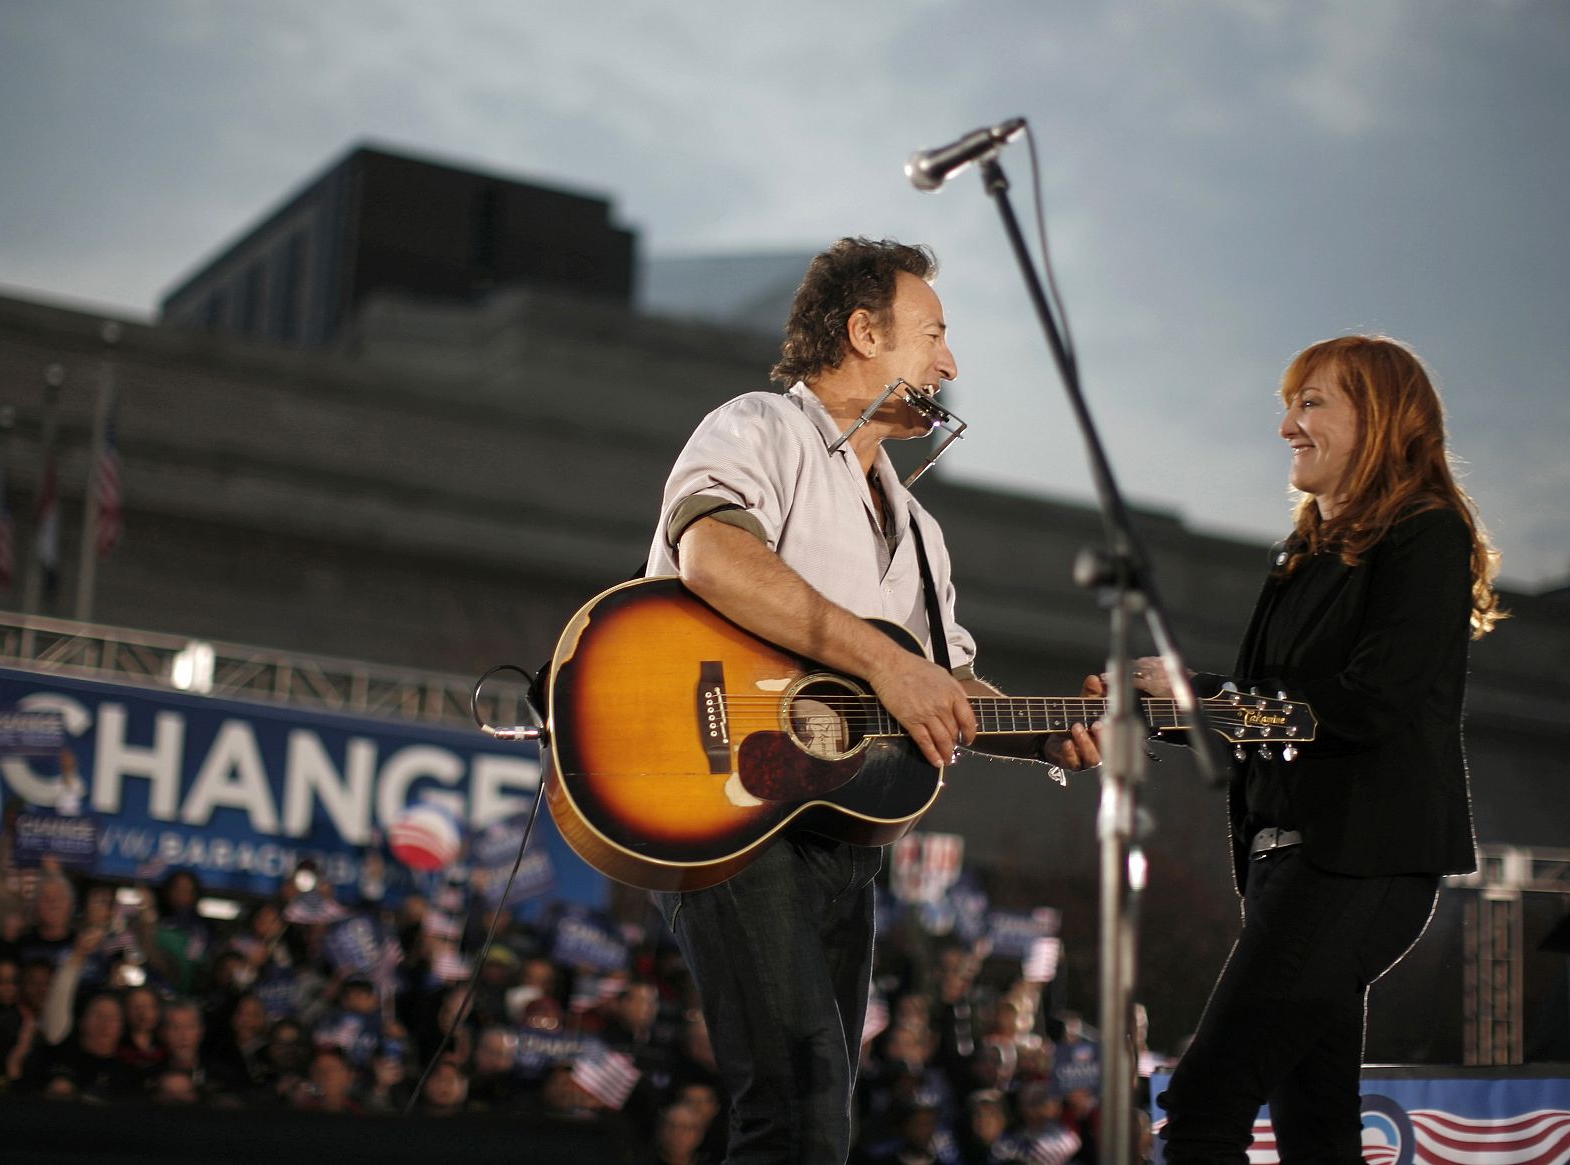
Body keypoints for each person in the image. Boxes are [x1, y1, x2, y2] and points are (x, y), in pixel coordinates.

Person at [644, 237, 1101, 1163]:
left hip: (839, 831)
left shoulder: (923, 532)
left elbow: (940, 679)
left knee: (821, 1109)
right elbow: (711, 551)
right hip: (722, 798)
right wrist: (881, 663)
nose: (950, 362)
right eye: (933, 333)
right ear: (862, 331)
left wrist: (1048, 728)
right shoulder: (761, 426)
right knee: (797, 1097)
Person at [1141, 335, 1505, 1162]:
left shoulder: (1426, 534)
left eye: (1311, 403)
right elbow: (1269, 703)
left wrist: (1208, 697)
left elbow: (1366, 706)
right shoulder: (1303, 552)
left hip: (1360, 863)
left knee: (1205, 1100)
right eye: (1289, 404)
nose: (1286, 427)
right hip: (1284, 865)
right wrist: (1172, 697)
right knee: (1316, 1123)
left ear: (1378, 420)